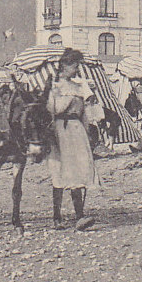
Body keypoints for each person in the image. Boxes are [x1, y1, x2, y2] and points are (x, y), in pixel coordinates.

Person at [46, 48, 98, 230]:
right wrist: (68, 99)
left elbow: (83, 113)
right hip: (60, 130)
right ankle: (56, 217)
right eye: (74, 66)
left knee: (78, 171)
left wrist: (88, 130)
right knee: (60, 171)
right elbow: (53, 111)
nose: (76, 69)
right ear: (64, 66)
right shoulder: (54, 86)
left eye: (77, 66)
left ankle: (80, 216)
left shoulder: (78, 86)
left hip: (77, 131)